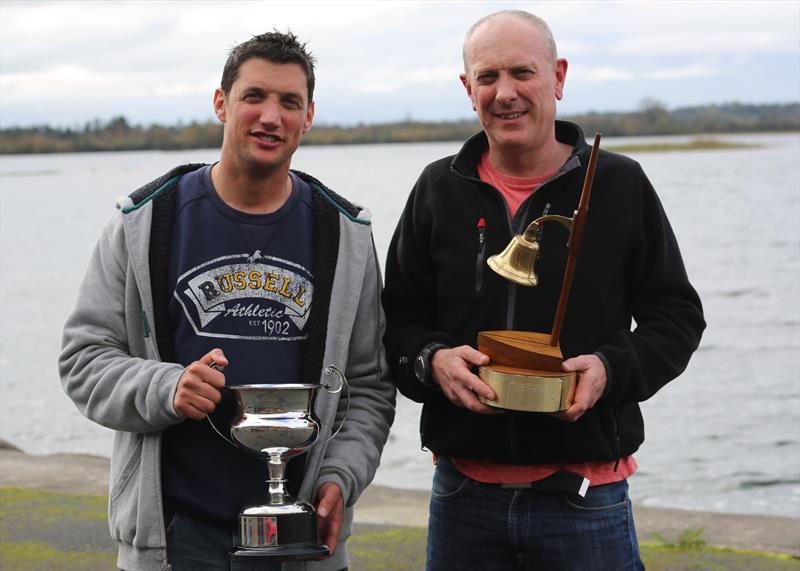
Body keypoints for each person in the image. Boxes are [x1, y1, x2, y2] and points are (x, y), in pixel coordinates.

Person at [59, 31, 395, 571]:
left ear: (308, 117)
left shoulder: (345, 234)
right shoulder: (143, 221)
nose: (271, 117)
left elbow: (369, 386)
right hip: (175, 534)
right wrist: (168, 387)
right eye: (254, 96)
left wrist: (341, 476)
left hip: (302, 539)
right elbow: (82, 361)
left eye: (290, 102)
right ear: (221, 103)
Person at [382, 10, 705, 571]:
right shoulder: (438, 188)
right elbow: (397, 319)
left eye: (522, 73)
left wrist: (609, 369)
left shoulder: (618, 184)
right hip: (462, 496)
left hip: (586, 500)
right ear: (468, 89)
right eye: (487, 77)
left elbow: (676, 316)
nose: (504, 93)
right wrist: (431, 361)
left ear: (557, 76)